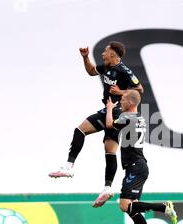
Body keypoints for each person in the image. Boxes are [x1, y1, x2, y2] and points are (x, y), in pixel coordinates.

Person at [49, 41, 144, 205]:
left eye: (105, 51)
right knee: (109, 151)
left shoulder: (124, 70)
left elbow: (140, 90)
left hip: (114, 110)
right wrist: (85, 58)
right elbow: (92, 71)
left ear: (113, 54)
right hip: (111, 110)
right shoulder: (106, 67)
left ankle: (68, 167)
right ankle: (107, 188)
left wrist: (120, 92)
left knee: (80, 129)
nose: (102, 54)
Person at [105, 90, 178, 224]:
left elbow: (109, 124)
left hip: (135, 167)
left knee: (124, 206)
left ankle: (164, 207)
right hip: (138, 166)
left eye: (123, 99)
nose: (120, 102)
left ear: (130, 103)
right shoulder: (139, 118)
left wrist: (109, 108)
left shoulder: (127, 117)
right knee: (133, 208)